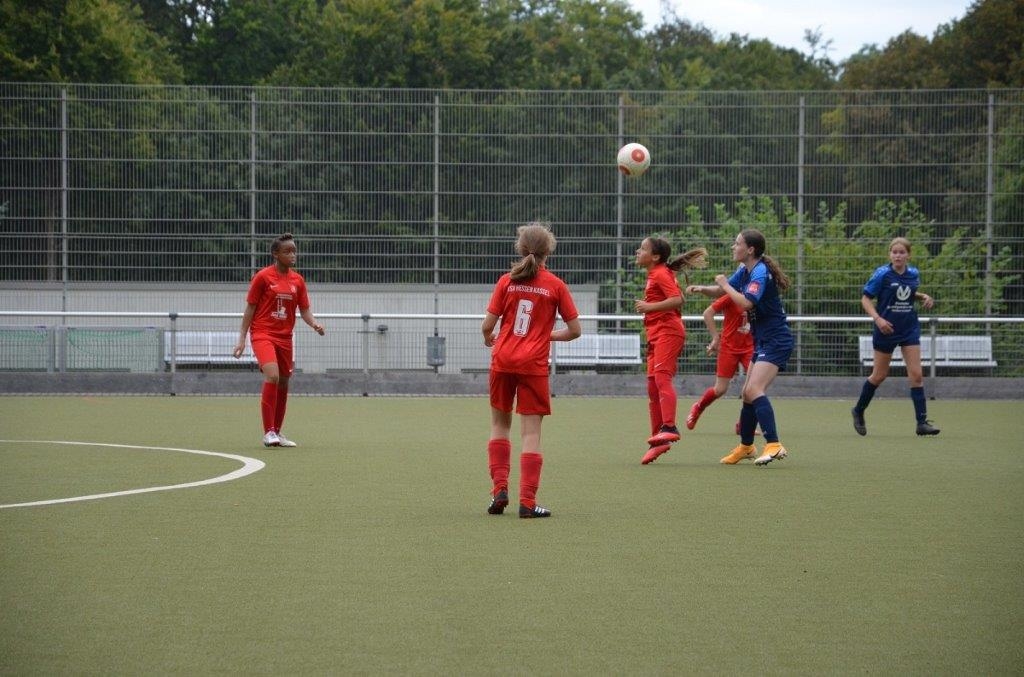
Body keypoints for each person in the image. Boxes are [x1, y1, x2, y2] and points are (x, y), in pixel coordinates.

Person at [481, 222, 582, 519]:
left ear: (520, 248)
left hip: (503, 360)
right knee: (531, 433)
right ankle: (527, 501)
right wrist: (545, 336)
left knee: (500, 425)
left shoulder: (506, 281)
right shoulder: (555, 285)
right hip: (533, 365)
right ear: (549, 251)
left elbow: (488, 325)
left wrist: (489, 338)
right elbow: (575, 330)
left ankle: (499, 490)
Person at [710, 229, 794, 466]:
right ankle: (746, 446)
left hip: (776, 340)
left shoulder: (758, 272)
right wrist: (699, 289)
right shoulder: (744, 270)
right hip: (763, 340)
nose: (733, 247)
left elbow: (746, 303)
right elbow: (720, 290)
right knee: (747, 394)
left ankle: (774, 444)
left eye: (736, 243)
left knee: (754, 389)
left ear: (750, 250)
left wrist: (725, 285)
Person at [233, 232, 324, 447]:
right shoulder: (263, 277)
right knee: (272, 376)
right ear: (276, 254)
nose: (293, 254)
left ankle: (277, 432)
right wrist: (242, 339)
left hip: (285, 338)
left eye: (294, 250)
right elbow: (250, 309)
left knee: (283, 381)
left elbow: (305, 310)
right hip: (263, 334)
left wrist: (315, 324)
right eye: (287, 251)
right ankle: (268, 433)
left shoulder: (297, 280)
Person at [851, 237, 940, 436]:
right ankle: (858, 410)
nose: (898, 256)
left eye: (902, 252)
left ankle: (922, 423)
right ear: (890, 254)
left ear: (908, 255)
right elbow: (865, 299)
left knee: (916, 375)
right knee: (879, 375)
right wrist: (878, 319)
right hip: (886, 329)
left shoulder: (913, 274)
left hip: (908, 329)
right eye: (894, 252)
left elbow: (907, 292)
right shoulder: (882, 274)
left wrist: (923, 296)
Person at [635, 236, 707, 465]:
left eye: (643, 248)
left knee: (662, 379)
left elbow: (677, 300)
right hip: (656, 334)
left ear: (655, 256)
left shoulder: (659, 273)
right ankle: (659, 440)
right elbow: (678, 297)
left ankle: (669, 427)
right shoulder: (656, 273)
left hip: (668, 332)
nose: (638, 251)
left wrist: (649, 307)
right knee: (652, 386)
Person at [683, 283, 754, 432]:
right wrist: (716, 338)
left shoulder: (758, 296)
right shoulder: (731, 296)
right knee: (720, 389)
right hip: (728, 347)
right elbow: (708, 313)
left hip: (750, 348)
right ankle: (698, 407)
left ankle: (744, 424)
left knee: (755, 388)